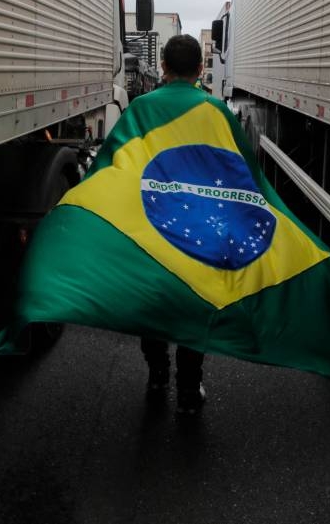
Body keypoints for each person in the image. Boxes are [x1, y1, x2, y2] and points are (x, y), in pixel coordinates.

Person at [141, 34, 209, 415]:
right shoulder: (214, 110)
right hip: (198, 224)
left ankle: (156, 374)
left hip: (152, 222)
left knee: (152, 298)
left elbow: (118, 162)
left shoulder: (142, 109)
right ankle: (188, 386)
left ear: (163, 67)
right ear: (201, 69)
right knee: (192, 301)